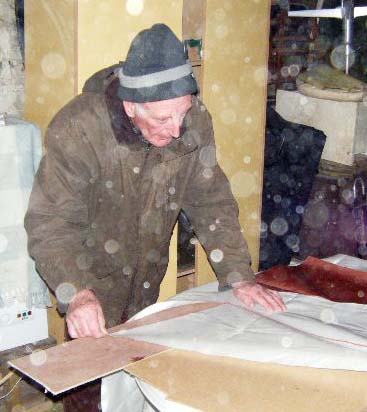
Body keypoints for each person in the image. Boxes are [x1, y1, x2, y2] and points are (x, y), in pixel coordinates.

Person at [25, 23, 285, 411]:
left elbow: (211, 202)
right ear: (132, 106)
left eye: (182, 113)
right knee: (89, 397)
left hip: (146, 286)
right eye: (164, 120)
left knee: (136, 390)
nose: (177, 129)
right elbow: (50, 224)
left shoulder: (192, 122)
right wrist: (75, 291)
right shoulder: (79, 129)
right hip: (90, 284)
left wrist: (237, 274)